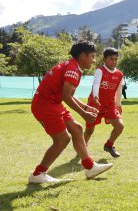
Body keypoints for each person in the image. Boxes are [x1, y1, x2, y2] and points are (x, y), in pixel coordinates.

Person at [29, 41, 113, 183]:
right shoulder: (73, 69)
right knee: (62, 140)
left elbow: (68, 94)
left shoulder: (73, 66)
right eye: (92, 56)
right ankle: (38, 174)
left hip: (52, 104)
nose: (93, 60)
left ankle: (90, 167)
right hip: (45, 105)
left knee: (77, 128)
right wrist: (84, 113)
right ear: (82, 56)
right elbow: (66, 96)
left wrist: (85, 107)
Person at [84, 47, 125, 158]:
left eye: (116, 59)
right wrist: (96, 96)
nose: (114, 61)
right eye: (111, 59)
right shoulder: (100, 70)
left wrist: (118, 104)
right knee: (89, 130)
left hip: (109, 105)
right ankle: (82, 149)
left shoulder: (120, 74)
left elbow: (118, 90)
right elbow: (96, 84)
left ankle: (109, 145)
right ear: (105, 59)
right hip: (94, 105)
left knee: (120, 126)